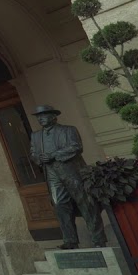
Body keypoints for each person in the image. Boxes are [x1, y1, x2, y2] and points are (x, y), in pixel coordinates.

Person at [28, 105, 107, 249]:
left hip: (72, 172)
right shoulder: (35, 136)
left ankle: (98, 239)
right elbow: (33, 153)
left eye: (44, 115)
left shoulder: (68, 130)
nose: (40, 118)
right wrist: (39, 158)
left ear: (53, 117)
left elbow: (76, 146)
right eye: (38, 116)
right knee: (60, 205)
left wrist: (54, 155)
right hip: (52, 175)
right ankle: (70, 240)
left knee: (86, 203)